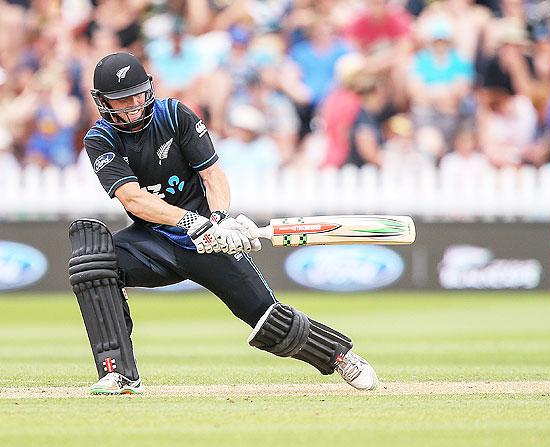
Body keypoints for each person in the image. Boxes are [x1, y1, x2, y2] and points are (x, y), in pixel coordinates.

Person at [72, 52, 378, 395]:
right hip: (153, 242)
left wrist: (218, 220)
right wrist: (192, 222)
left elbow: (212, 174)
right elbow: (134, 199)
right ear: (103, 102)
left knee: (269, 321)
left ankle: (341, 356)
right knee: (91, 259)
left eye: (136, 96)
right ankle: (119, 373)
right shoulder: (100, 139)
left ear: (148, 90)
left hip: (207, 243)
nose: (131, 107)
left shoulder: (174, 115)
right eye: (120, 100)